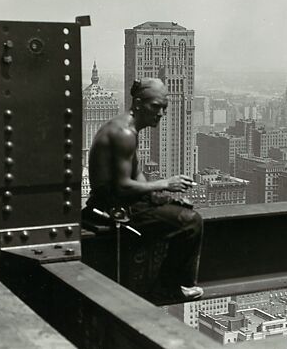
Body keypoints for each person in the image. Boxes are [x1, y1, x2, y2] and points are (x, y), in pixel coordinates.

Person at [84, 78, 204, 300]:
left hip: (121, 202)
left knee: (178, 209)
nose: (160, 113)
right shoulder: (124, 134)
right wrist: (167, 184)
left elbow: (136, 176)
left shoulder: (127, 128)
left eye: (164, 108)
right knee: (191, 222)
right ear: (138, 103)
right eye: (156, 106)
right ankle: (173, 286)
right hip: (112, 207)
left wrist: (161, 199)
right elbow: (121, 186)